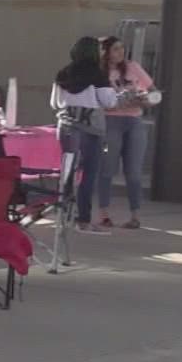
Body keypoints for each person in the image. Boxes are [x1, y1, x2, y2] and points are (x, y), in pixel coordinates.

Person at [51, 36, 123, 235]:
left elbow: (55, 103)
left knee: (67, 173)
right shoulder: (98, 74)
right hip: (91, 128)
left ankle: (62, 216)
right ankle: (83, 220)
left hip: (66, 125)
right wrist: (119, 97)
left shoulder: (63, 73)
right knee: (88, 174)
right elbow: (109, 102)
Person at [96, 36, 154, 229]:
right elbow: (96, 100)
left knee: (134, 171)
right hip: (110, 120)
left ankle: (135, 215)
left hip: (134, 120)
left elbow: (154, 92)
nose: (120, 53)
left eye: (122, 48)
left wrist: (147, 100)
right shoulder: (99, 72)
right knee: (107, 168)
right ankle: (104, 213)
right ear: (105, 52)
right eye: (115, 49)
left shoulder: (133, 67)